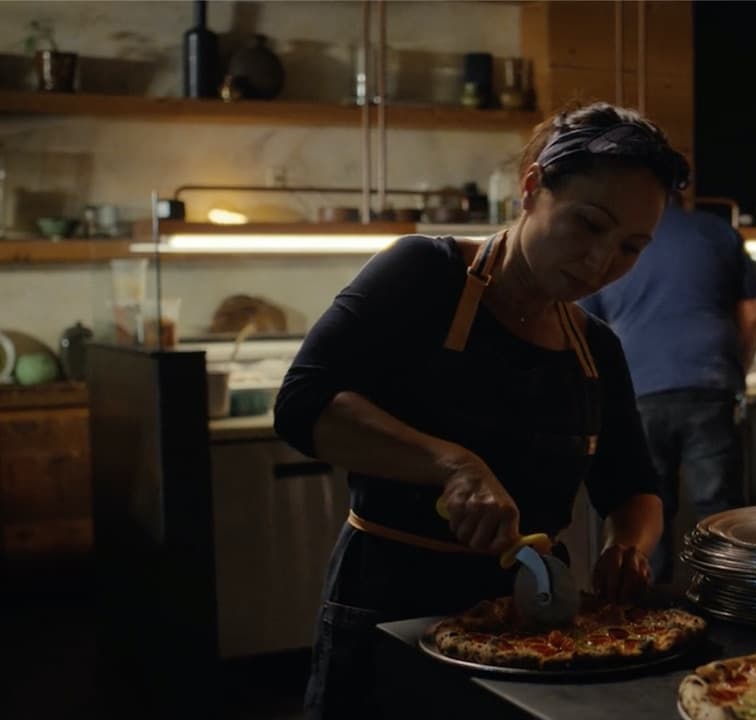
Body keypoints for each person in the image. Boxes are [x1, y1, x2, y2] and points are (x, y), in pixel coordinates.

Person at [274, 102, 689, 718]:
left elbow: (632, 486)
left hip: (535, 618)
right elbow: (303, 405)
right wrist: (453, 465)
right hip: (393, 606)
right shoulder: (423, 272)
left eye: (631, 247)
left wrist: (629, 544)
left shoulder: (595, 347)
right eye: (588, 224)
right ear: (532, 188)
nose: (602, 262)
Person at [579, 199, 756, 583]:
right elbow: (750, 317)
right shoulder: (718, 233)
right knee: (720, 512)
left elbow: (585, 325)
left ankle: (646, 607)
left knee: (643, 508)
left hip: (639, 387)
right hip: (709, 383)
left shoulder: (619, 239)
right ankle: (728, 600)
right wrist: (736, 372)